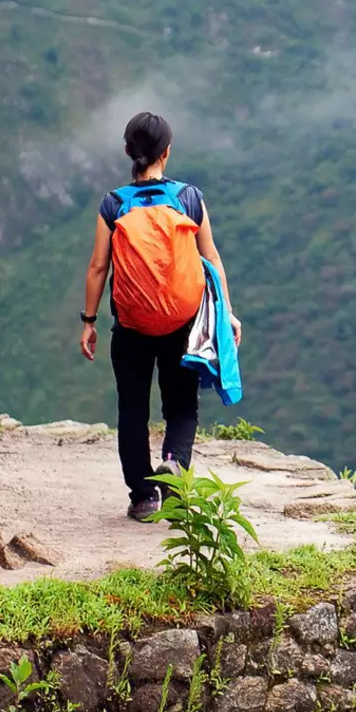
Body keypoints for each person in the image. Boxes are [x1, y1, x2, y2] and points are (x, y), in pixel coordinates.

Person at [79, 111, 243, 520]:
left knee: (133, 409)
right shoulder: (189, 198)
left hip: (131, 328)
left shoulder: (113, 205)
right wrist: (227, 313)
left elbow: (98, 268)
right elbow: (211, 258)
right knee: (182, 406)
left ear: (127, 152)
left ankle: (142, 496)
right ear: (167, 152)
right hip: (182, 325)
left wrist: (88, 321)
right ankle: (173, 466)